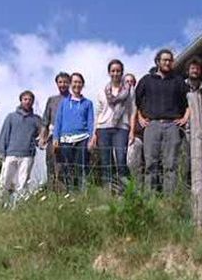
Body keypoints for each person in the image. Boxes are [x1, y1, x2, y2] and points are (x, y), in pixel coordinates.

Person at [135, 49, 190, 193]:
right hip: (152, 125)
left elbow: (189, 102)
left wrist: (185, 117)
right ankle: (149, 198)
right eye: (164, 60)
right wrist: (140, 118)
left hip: (172, 126)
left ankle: (169, 200)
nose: (167, 63)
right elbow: (136, 102)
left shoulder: (178, 81)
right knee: (150, 164)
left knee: (171, 164)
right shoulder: (146, 80)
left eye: (170, 60)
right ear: (158, 62)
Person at [90, 59, 135, 192]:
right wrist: (94, 133)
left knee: (121, 160)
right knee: (105, 161)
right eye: (113, 71)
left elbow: (132, 112)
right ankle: (108, 192)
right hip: (103, 128)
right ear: (109, 72)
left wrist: (132, 131)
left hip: (122, 128)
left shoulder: (129, 91)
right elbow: (98, 113)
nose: (115, 73)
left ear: (122, 72)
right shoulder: (102, 91)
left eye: (118, 71)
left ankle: (125, 191)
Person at [0, 90, 42, 207]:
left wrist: (41, 142)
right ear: (21, 100)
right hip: (11, 153)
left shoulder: (36, 120)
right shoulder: (11, 117)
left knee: (22, 183)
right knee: (4, 181)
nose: (27, 102)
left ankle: (17, 207)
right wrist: (1, 151)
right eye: (25, 99)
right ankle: (1, 205)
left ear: (32, 102)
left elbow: (40, 138)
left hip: (27, 155)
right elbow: (4, 134)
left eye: (30, 100)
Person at [53, 72, 94, 191]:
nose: (77, 84)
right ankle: (70, 193)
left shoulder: (88, 103)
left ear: (83, 85)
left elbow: (90, 121)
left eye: (79, 82)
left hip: (82, 138)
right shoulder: (64, 102)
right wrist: (56, 138)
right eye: (75, 82)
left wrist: (91, 139)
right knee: (68, 167)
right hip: (65, 139)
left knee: (81, 167)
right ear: (71, 84)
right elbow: (58, 121)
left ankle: (82, 193)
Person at [184, 56, 202, 193]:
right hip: (186, 131)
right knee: (187, 162)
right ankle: (187, 192)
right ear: (188, 70)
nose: (194, 70)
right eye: (192, 68)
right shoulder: (182, 87)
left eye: (197, 68)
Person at [40, 72, 70, 190]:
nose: (63, 84)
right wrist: (43, 137)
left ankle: (66, 193)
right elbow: (45, 120)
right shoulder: (52, 100)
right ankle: (51, 193)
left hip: (69, 137)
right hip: (52, 137)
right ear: (57, 84)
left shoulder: (74, 99)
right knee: (51, 164)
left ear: (69, 83)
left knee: (65, 166)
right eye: (60, 82)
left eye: (65, 82)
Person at [124, 73, 144, 180]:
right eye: (127, 81)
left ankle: (136, 187)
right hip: (120, 137)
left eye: (132, 82)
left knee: (132, 162)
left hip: (136, 136)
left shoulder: (140, 101)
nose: (129, 84)